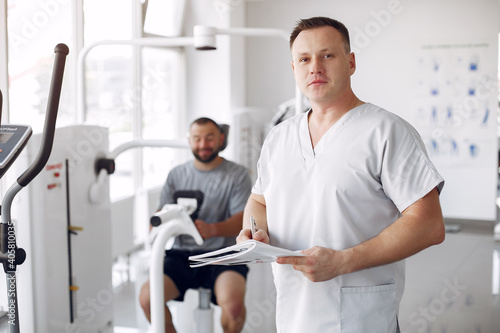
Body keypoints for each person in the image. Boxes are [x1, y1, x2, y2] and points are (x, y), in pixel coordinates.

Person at [236, 16, 445, 332]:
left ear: (351, 63)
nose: (315, 67)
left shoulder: (386, 132)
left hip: (362, 317)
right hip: (294, 315)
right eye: (304, 59)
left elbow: (428, 224)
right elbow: (259, 202)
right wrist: (254, 232)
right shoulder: (279, 137)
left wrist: (343, 261)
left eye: (327, 55)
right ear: (294, 69)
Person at [140, 117, 252, 333]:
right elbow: (160, 213)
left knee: (234, 307)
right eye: (197, 139)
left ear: (220, 139)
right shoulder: (176, 174)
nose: (203, 145)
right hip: (183, 255)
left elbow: (242, 220)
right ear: (189, 141)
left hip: (225, 254)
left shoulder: (236, 174)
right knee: (147, 299)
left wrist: (213, 230)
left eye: (209, 138)